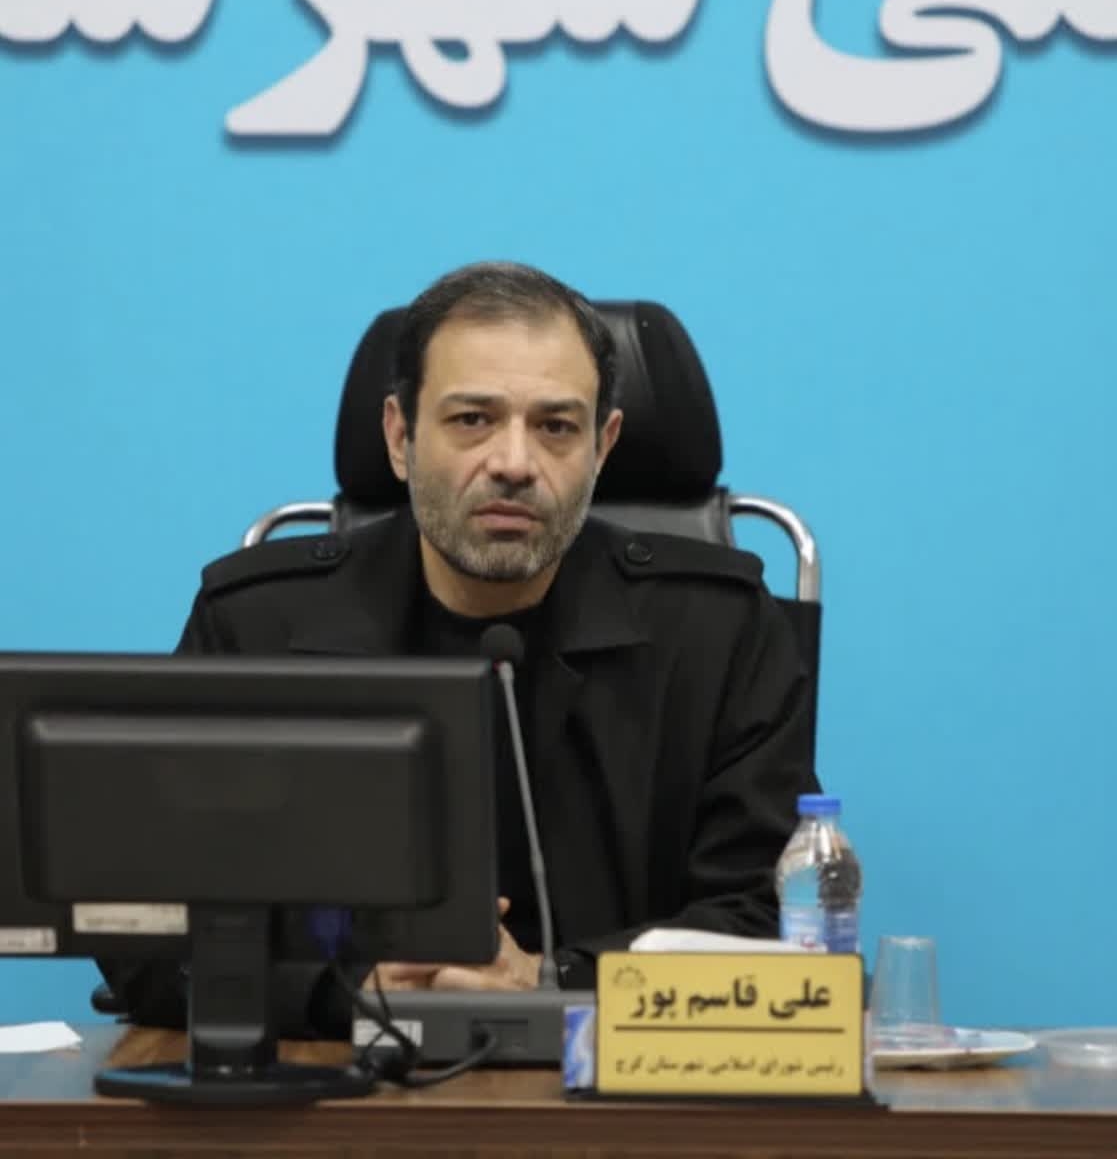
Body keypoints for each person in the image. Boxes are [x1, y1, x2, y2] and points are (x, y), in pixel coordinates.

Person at [99, 262, 816, 1036]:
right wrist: (351, 993)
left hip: (621, 1082)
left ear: (603, 446)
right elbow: (143, 932)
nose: (514, 463)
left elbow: (775, 918)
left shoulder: (718, 630)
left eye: (556, 426)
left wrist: (551, 980)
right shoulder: (258, 628)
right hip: (338, 1081)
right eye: (473, 419)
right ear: (400, 437)